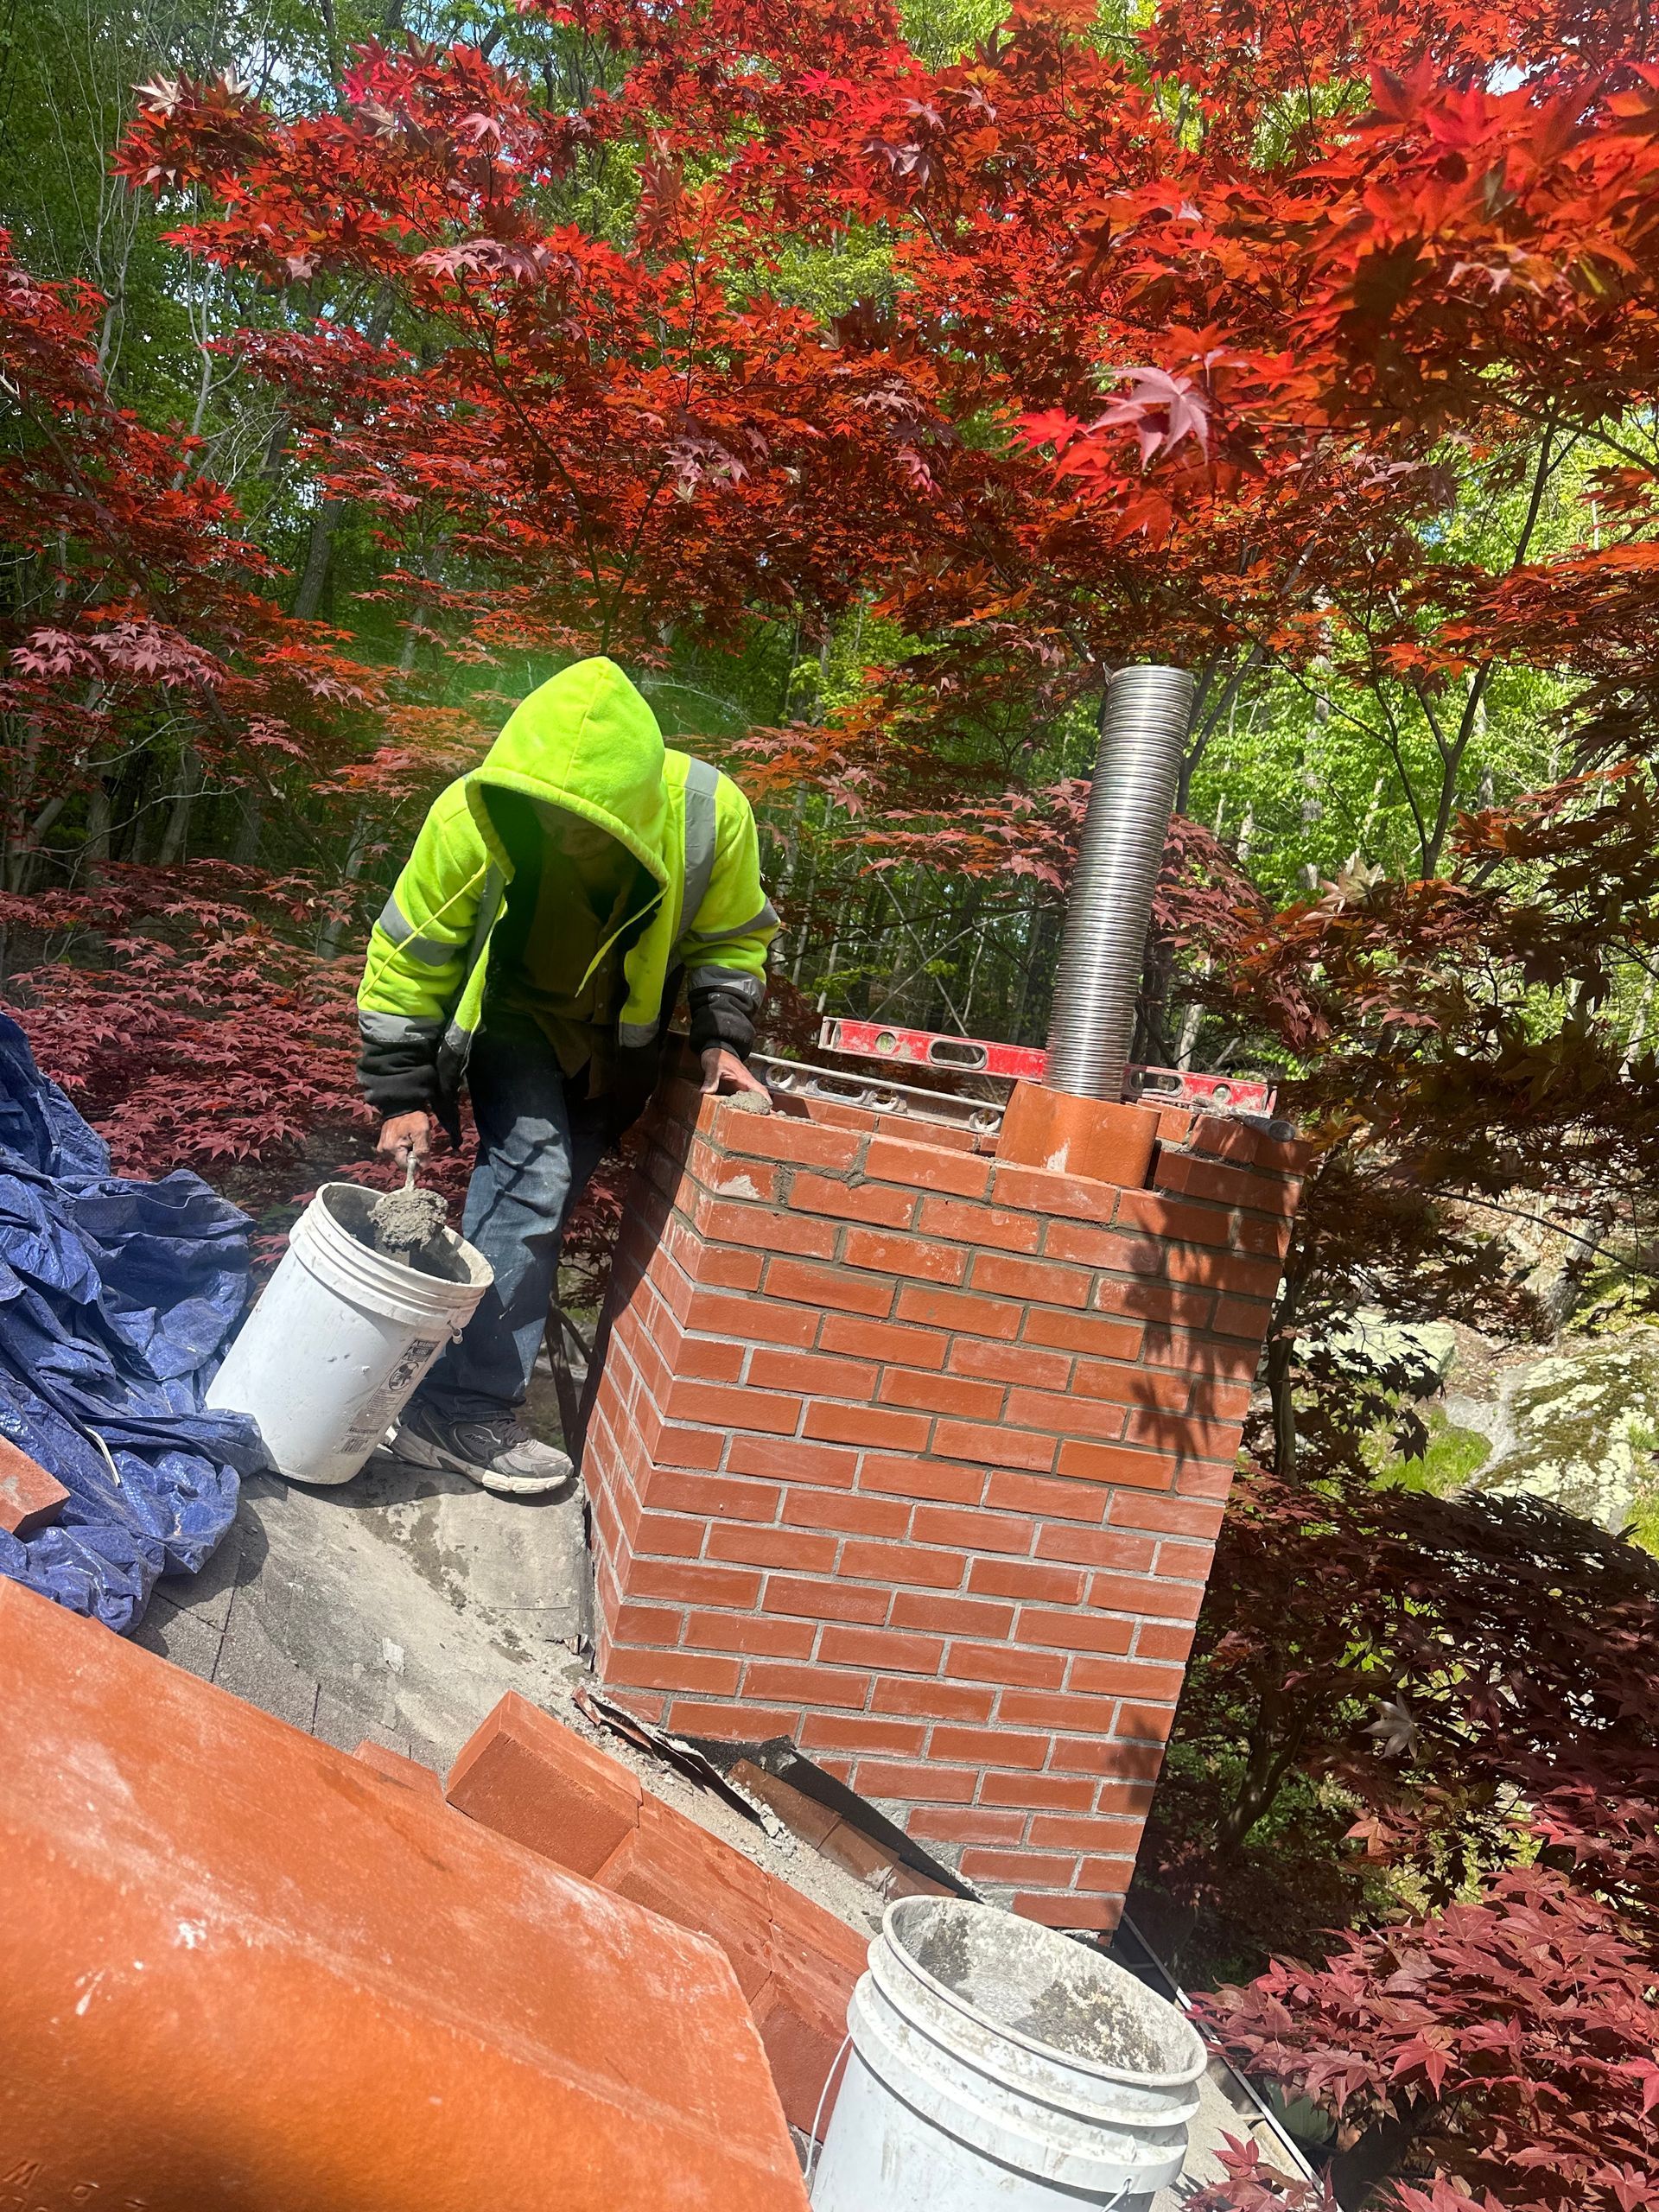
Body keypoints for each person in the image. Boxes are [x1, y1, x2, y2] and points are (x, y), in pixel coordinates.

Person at [356, 656, 777, 1496]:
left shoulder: (707, 814)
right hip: (512, 1018)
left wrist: (723, 1041)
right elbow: (410, 954)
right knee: (533, 1174)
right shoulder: (475, 813)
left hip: (617, 1045)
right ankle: (466, 1407)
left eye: (586, 824)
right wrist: (400, 1088)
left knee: (534, 1206)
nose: (561, 835)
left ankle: (437, 1385)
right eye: (546, 816)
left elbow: (731, 940)